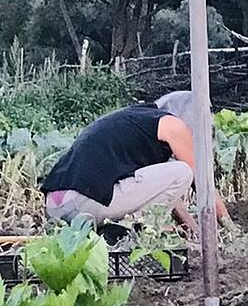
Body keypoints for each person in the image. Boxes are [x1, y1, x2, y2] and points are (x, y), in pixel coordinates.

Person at [41, 90, 228, 229]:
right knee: (183, 171)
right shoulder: (173, 125)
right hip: (82, 204)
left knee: (175, 174)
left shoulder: (140, 121)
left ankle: (119, 232)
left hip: (56, 206)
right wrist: (230, 227)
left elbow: (164, 194)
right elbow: (202, 183)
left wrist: (193, 230)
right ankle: (136, 234)